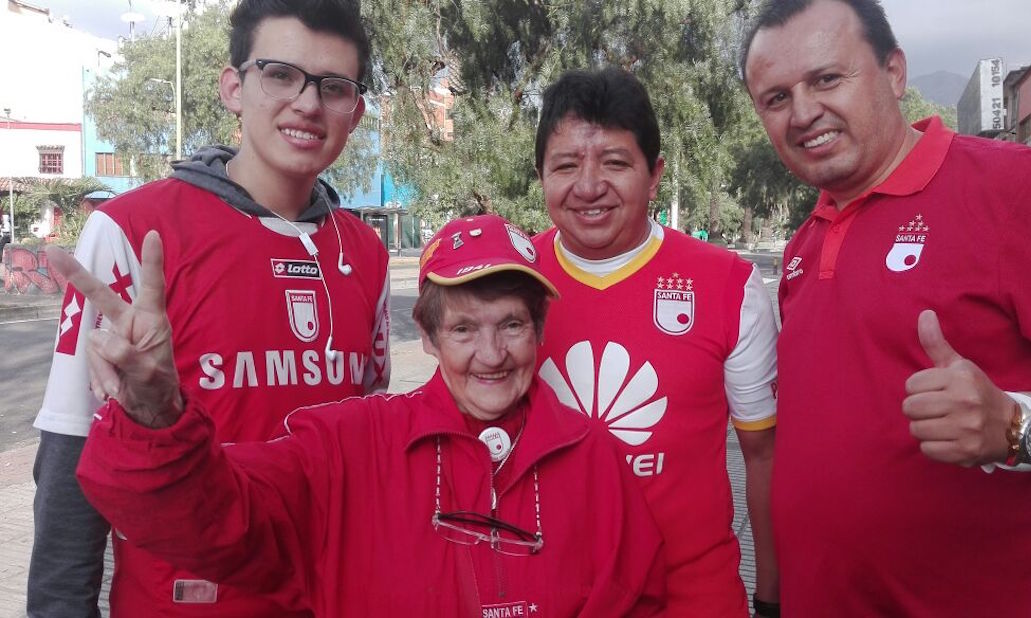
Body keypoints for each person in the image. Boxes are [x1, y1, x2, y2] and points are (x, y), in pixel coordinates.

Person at [53, 214, 665, 616]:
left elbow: (643, 602)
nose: (491, 355)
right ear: (425, 336)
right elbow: (215, 521)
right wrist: (157, 415)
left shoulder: (595, 458)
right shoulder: (347, 449)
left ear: (538, 330)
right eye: (462, 329)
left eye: (512, 324)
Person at [28, 1, 390, 616]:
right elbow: (70, 461)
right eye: (280, 74)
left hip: (330, 595)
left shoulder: (365, 251)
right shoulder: (132, 232)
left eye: (333, 87)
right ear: (232, 87)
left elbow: (369, 454)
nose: (307, 103)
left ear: (353, 112)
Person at [741, 0, 1031, 614]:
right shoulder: (804, 244)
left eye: (827, 78)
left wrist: (1015, 426)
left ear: (896, 72)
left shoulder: (1021, 190)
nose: (803, 113)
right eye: (776, 98)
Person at [532, 68, 781, 617]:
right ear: (541, 175)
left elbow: (763, 455)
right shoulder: (509, 278)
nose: (589, 186)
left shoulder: (729, 286)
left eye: (616, 163)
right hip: (547, 593)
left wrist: (771, 594)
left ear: (655, 174)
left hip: (693, 596)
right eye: (566, 165)